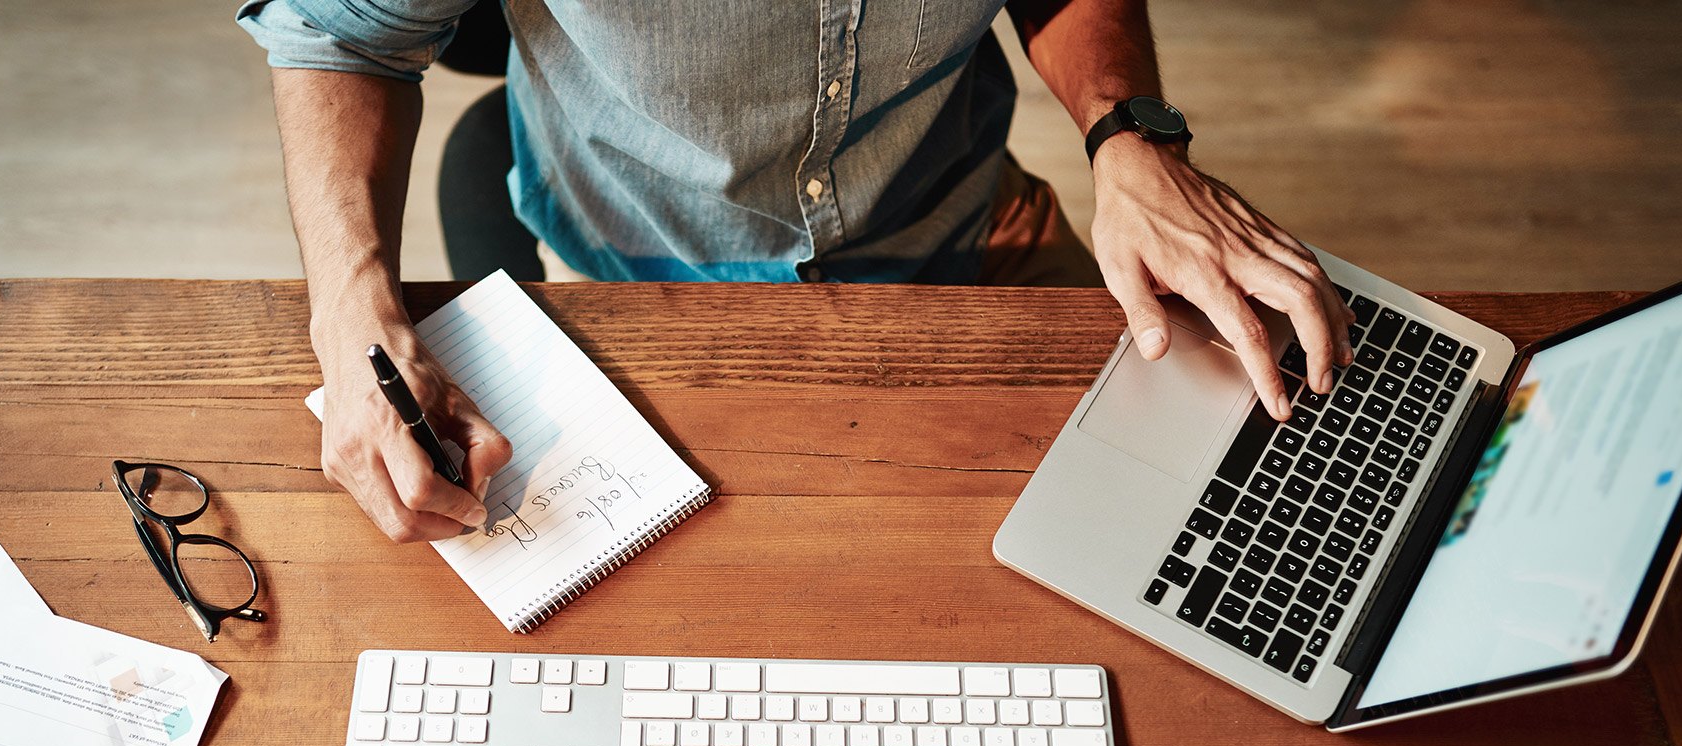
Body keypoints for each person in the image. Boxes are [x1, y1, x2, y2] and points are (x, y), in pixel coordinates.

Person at [236, 0, 1354, 544]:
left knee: (1203, 505)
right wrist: (347, 313)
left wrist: (1130, 134)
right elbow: (343, 34)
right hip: (634, 271)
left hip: (957, 214)